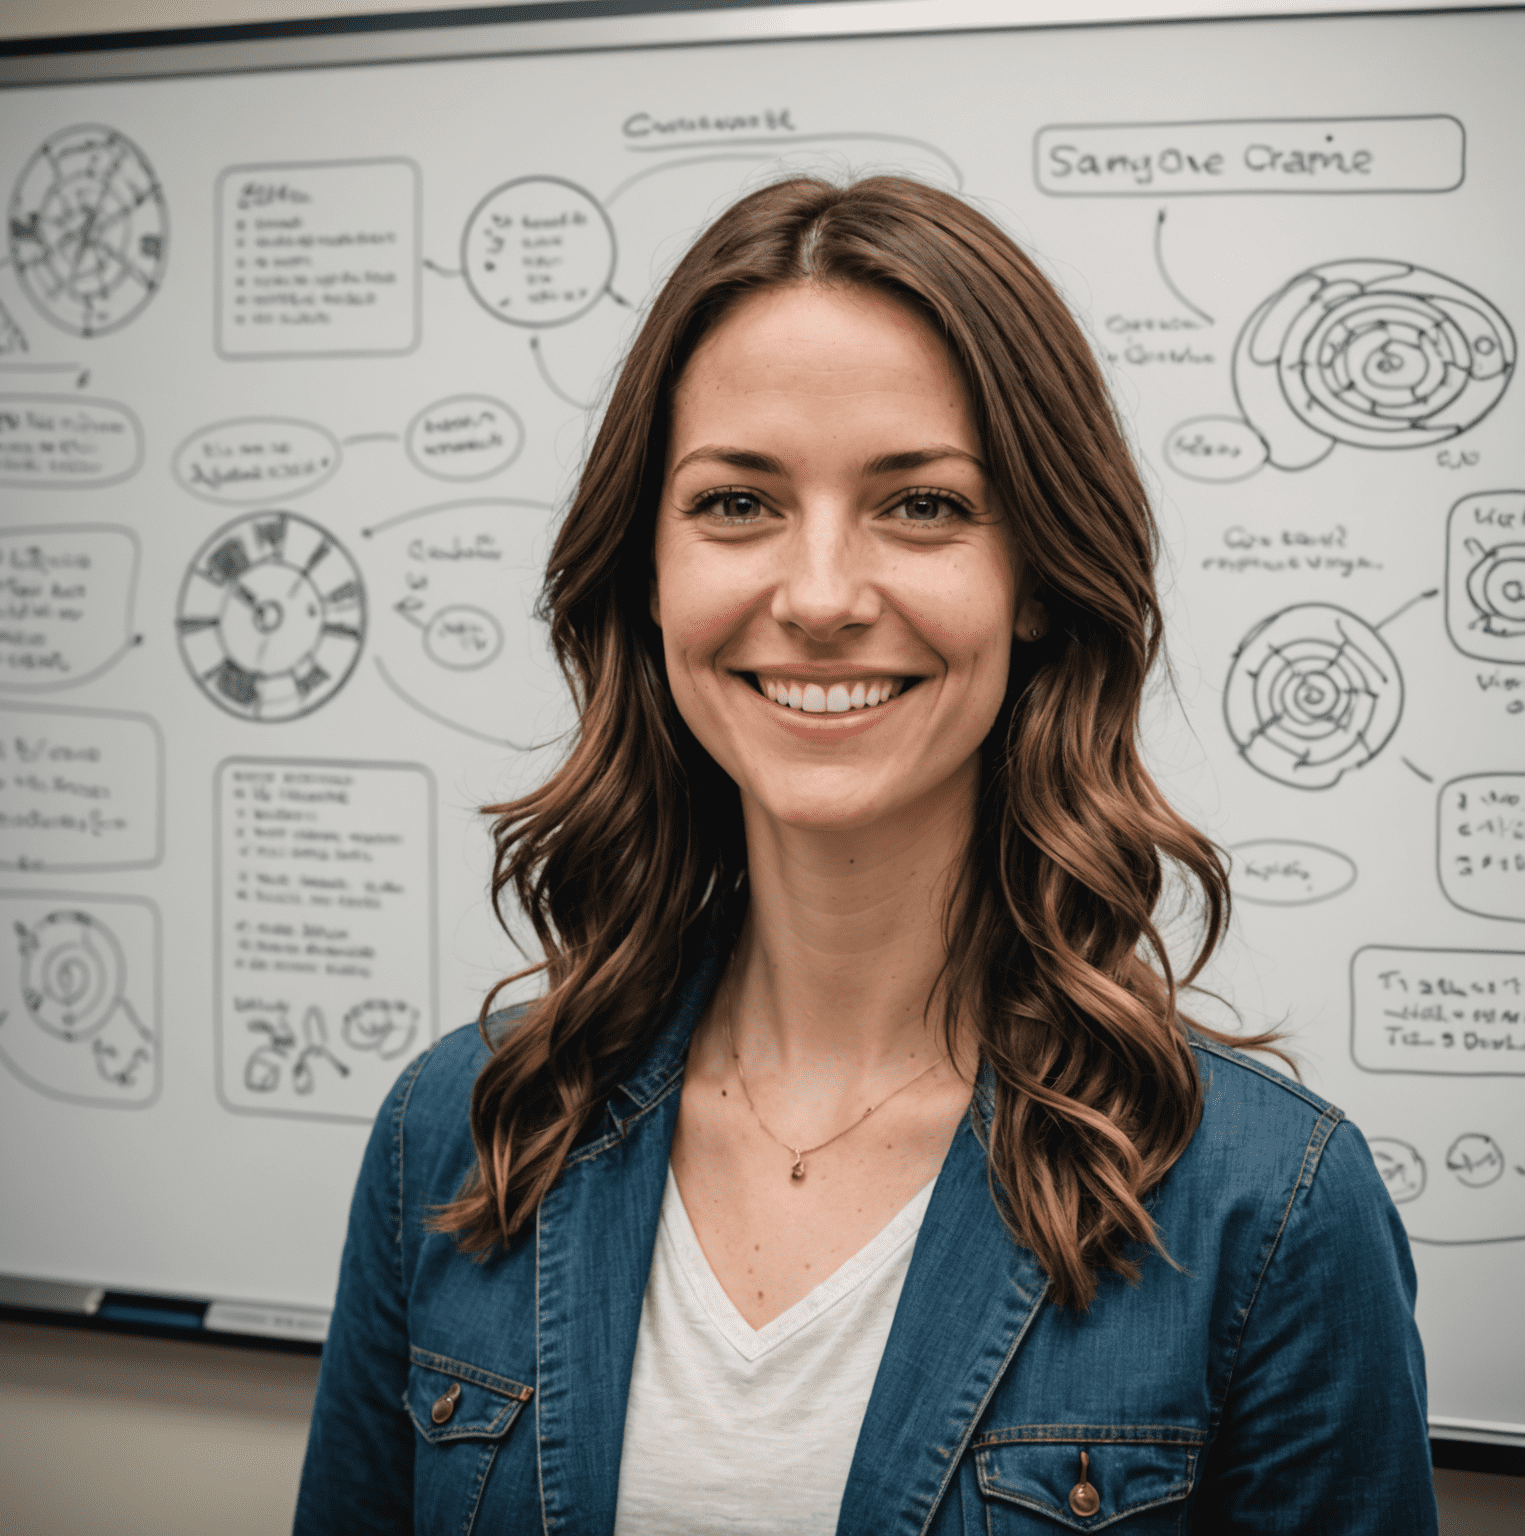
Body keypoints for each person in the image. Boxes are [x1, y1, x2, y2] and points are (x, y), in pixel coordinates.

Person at [294, 176, 1436, 1533]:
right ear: (645, 575)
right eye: (735, 504)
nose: (823, 595)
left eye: (925, 507)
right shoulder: (462, 1131)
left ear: (1038, 587)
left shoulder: (1271, 1209)